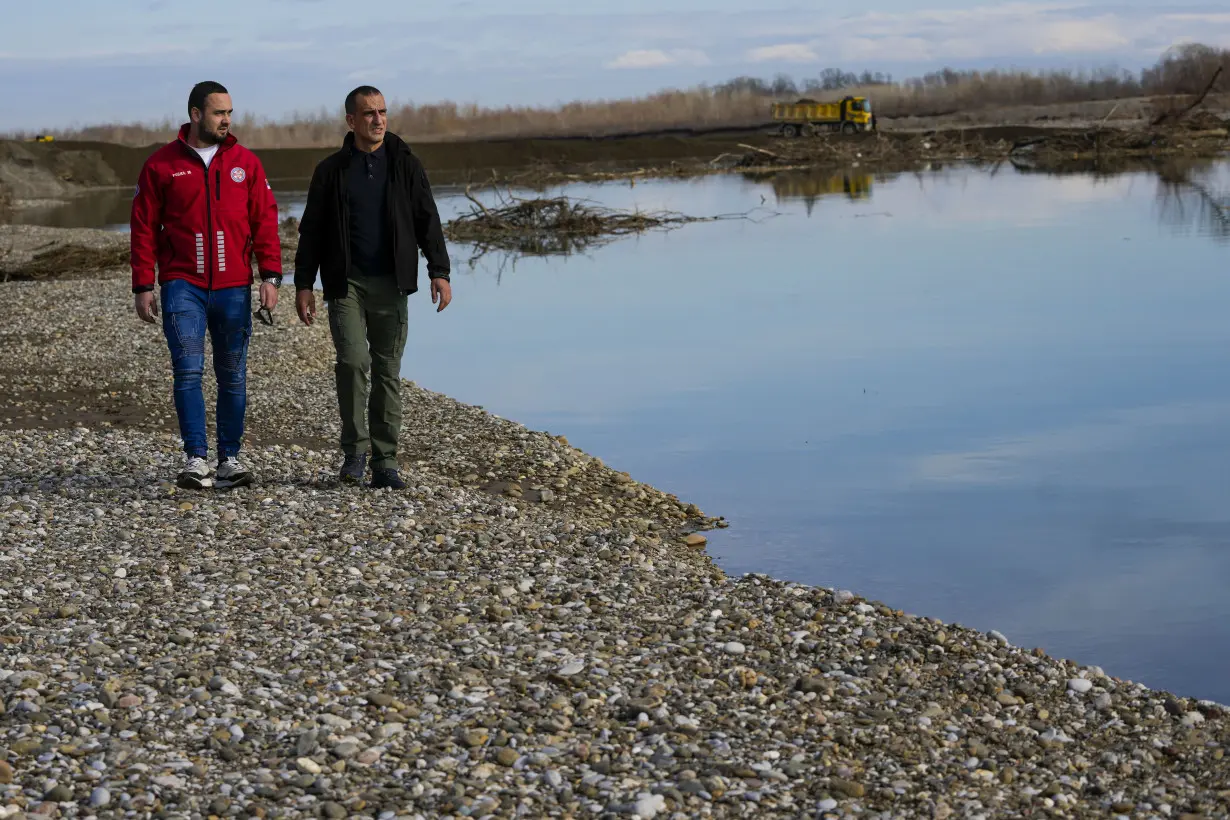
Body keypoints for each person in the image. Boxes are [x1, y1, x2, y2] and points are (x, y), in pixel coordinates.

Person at [293, 84, 452, 490]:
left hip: (392, 283)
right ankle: (354, 451)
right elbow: (310, 230)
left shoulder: (405, 164)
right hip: (346, 283)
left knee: (387, 371)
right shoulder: (331, 171)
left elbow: (427, 219)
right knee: (351, 362)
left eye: (382, 112)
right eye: (369, 114)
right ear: (351, 120)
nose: (378, 120)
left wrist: (440, 270)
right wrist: (304, 283)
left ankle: (385, 461)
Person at [130, 80, 283, 490]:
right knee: (188, 371)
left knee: (233, 375)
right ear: (196, 114)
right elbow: (143, 227)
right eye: (219, 112)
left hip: (235, 285)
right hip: (183, 284)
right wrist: (142, 285)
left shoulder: (246, 164)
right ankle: (196, 459)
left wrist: (270, 275)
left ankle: (230, 459)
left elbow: (265, 221)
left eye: (229, 112)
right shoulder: (161, 165)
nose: (227, 119)